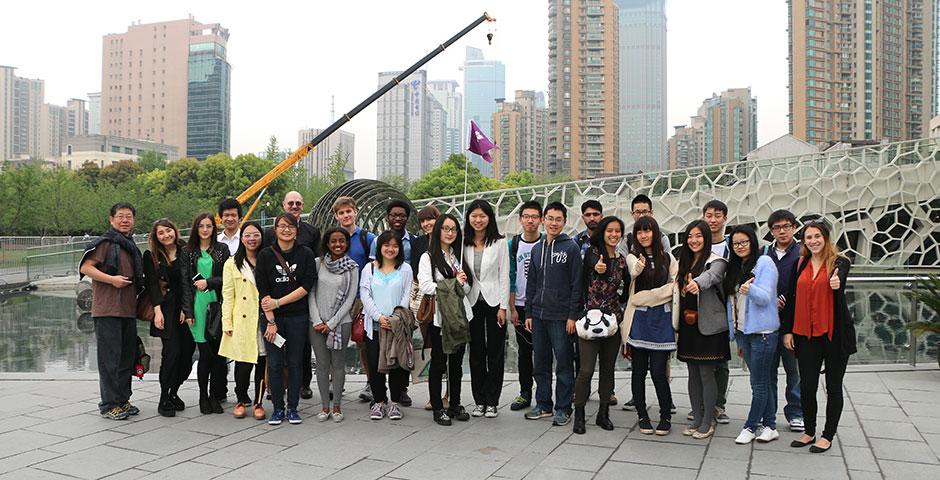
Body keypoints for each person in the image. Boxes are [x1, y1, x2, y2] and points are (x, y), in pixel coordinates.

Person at [782, 220, 855, 453]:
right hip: (805, 334)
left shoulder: (839, 262)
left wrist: (836, 282)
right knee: (807, 385)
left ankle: (827, 435)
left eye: (817, 236)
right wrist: (787, 330)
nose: (813, 241)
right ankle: (809, 431)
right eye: (808, 237)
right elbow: (792, 299)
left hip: (834, 335)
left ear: (826, 238)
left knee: (833, 386)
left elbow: (840, 278)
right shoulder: (800, 263)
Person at [79, 203, 145, 420]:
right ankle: (108, 404)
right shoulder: (106, 243)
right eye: (120, 216)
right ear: (111, 219)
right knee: (110, 360)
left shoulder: (129, 244)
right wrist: (112, 280)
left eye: (128, 216)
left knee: (127, 357)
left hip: (127, 310)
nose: (125, 220)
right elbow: (86, 267)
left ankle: (123, 400)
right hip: (108, 309)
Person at [524, 202, 583, 427]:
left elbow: (577, 284)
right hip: (538, 315)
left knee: (564, 364)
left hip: (561, 317)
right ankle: (543, 404)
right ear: (543, 220)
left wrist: (572, 316)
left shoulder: (571, 248)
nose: (554, 223)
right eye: (550, 218)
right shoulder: (537, 248)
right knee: (540, 362)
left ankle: (563, 407)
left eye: (558, 219)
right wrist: (529, 312)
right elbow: (532, 284)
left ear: (564, 222)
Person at [257, 213, 317, 425]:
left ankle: (292, 407)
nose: (286, 230)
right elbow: (263, 289)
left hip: (297, 317)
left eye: (290, 226)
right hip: (272, 319)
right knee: (274, 363)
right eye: (282, 226)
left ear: (296, 230)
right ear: (275, 229)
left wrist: (279, 302)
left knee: (295, 362)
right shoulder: (265, 255)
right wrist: (271, 321)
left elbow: (306, 286)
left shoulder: (306, 254)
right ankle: (277, 409)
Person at [725, 225, 781, 444]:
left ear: (752, 242)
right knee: (761, 381)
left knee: (759, 383)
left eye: (744, 242)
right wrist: (737, 333)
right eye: (736, 243)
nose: (740, 247)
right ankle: (770, 425)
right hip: (744, 333)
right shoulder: (736, 266)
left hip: (763, 333)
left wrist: (751, 290)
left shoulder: (764, 263)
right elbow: (734, 302)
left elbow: (766, 297)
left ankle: (750, 426)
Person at [263, 191, 321, 400]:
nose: (294, 206)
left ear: (302, 206)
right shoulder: (269, 235)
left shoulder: (312, 232)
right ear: (283, 205)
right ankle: (275, 386)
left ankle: (303, 384)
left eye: (298, 203)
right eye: (291, 203)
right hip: (273, 302)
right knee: (276, 351)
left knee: (301, 348)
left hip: (300, 301)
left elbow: (316, 264)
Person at [622, 215, 677, 436]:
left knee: (658, 372)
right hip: (639, 321)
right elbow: (633, 273)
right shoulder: (633, 257)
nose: (643, 235)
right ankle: (642, 415)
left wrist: (648, 296)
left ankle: (665, 415)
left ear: (655, 233)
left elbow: (674, 287)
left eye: (647, 231)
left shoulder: (669, 258)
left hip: (661, 322)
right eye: (639, 232)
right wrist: (656, 293)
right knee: (638, 371)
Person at [573, 216, 628, 435]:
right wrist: (598, 268)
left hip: (613, 321)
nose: (613, 235)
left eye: (617, 231)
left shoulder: (623, 260)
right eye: (609, 231)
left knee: (608, 370)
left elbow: (626, 288)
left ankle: (603, 414)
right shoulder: (592, 253)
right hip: (590, 320)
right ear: (603, 232)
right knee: (586, 370)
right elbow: (590, 270)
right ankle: (579, 414)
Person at [418, 214, 475, 426]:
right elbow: (425, 286)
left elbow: (466, 289)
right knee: (439, 363)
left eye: (453, 229)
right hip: (440, 318)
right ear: (438, 231)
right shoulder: (428, 257)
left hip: (460, 315)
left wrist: (461, 282)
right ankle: (437, 407)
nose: (450, 233)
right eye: (446, 229)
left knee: (457, 364)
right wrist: (453, 283)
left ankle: (455, 403)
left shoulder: (457, 255)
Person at [675, 220, 729, 439]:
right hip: (688, 325)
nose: (693, 240)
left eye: (698, 236)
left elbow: (712, 277)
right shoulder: (684, 261)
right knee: (692, 374)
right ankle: (697, 417)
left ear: (706, 238)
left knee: (707, 374)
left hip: (709, 327)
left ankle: (709, 420)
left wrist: (696, 282)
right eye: (690, 236)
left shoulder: (717, 261)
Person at [143, 218, 195, 418]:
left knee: (187, 353)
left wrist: (187, 308)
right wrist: (157, 311)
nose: (166, 235)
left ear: (175, 230)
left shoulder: (186, 250)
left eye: (168, 231)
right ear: (156, 237)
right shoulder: (152, 256)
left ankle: (175, 391)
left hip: (184, 308)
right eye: (161, 233)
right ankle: (164, 397)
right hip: (165, 309)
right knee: (171, 353)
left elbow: (189, 282)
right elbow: (152, 285)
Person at [463, 199, 510, 418]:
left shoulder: (500, 242)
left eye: (482, 216)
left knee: (495, 352)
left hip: (493, 303)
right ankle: (479, 400)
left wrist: (503, 307)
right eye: (474, 216)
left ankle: (492, 400)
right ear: (469, 218)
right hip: (471, 302)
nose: (478, 220)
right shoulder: (463, 242)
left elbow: (503, 275)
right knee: (476, 353)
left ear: (489, 218)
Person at [361, 231, 415, 421]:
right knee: (375, 364)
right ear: (379, 247)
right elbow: (365, 295)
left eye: (395, 246)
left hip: (397, 326)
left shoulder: (405, 269)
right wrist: (378, 316)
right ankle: (379, 401)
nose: (390, 249)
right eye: (386, 245)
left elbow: (406, 296)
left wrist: (394, 318)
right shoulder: (369, 268)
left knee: (397, 365)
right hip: (374, 325)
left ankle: (395, 403)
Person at [308, 228, 358, 422]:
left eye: (342, 241)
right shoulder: (318, 264)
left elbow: (350, 298)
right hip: (316, 323)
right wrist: (318, 320)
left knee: (338, 365)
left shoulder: (352, 267)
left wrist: (332, 323)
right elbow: (310, 292)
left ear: (346, 243)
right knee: (321, 364)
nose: (338, 244)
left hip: (341, 324)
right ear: (327, 244)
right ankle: (324, 406)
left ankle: (337, 405)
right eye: (333, 241)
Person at [219, 221, 268, 420]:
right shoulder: (232, 263)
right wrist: (227, 322)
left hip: (264, 318)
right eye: (247, 235)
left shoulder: (268, 259)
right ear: (242, 238)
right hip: (242, 319)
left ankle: (258, 402)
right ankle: (240, 399)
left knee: (262, 362)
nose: (251, 239)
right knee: (243, 363)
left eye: (255, 235)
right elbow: (227, 295)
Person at [369, 199, 415, 406]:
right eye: (394, 215)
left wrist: (397, 315)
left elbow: (408, 288)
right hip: (377, 315)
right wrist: (379, 315)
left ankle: (399, 393)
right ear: (387, 217)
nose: (398, 218)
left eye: (402, 215)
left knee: (401, 355)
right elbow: (368, 287)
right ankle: (378, 397)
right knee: (375, 357)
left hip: (402, 312)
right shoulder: (375, 246)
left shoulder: (412, 241)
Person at [332, 196, 377, 404]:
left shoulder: (367, 238)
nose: (346, 215)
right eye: (341, 213)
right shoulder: (333, 238)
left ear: (355, 211)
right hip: (339, 298)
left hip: (361, 298)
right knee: (336, 341)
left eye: (348, 211)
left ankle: (371, 382)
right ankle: (336, 382)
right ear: (336, 216)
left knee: (363, 343)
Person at [764, 209, 804, 432]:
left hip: (793, 323)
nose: (782, 231)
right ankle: (768, 414)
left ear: (794, 227)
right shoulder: (765, 253)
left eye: (786, 226)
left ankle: (796, 413)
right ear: (771, 231)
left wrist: (786, 300)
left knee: (794, 370)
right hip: (768, 323)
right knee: (768, 372)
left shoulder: (802, 252)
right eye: (777, 227)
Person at [186, 213, 230, 414]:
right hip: (197, 306)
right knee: (205, 354)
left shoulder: (222, 249)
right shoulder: (188, 252)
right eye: (201, 226)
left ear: (214, 228)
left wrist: (208, 282)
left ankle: (215, 395)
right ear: (196, 228)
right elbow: (184, 283)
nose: (205, 229)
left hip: (216, 306)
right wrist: (187, 311)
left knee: (216, 356)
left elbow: (227, 279)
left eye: (209, 226)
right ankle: (203, 395)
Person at [508, 201, 543, 412]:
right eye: (526, 216)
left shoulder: (547, 243)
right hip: (520, 305)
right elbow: (510, 276)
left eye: (534, 216)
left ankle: (543, 393)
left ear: (541, 220)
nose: (530, 220)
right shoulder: (513, 244)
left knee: (543, 352)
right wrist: (512, 308)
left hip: (542, 307)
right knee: (524, 352)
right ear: (520, 219)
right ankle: (525, 393)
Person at [700, 199, 732, 425]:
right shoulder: (697, 244)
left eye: (717, 215)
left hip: (723, 310)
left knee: (721, 361)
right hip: (698, 312)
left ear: (725, 218)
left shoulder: (733, 247)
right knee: (699, 360)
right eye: (709, 215)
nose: (713, 219)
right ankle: (701, 404)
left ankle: (718, 405)